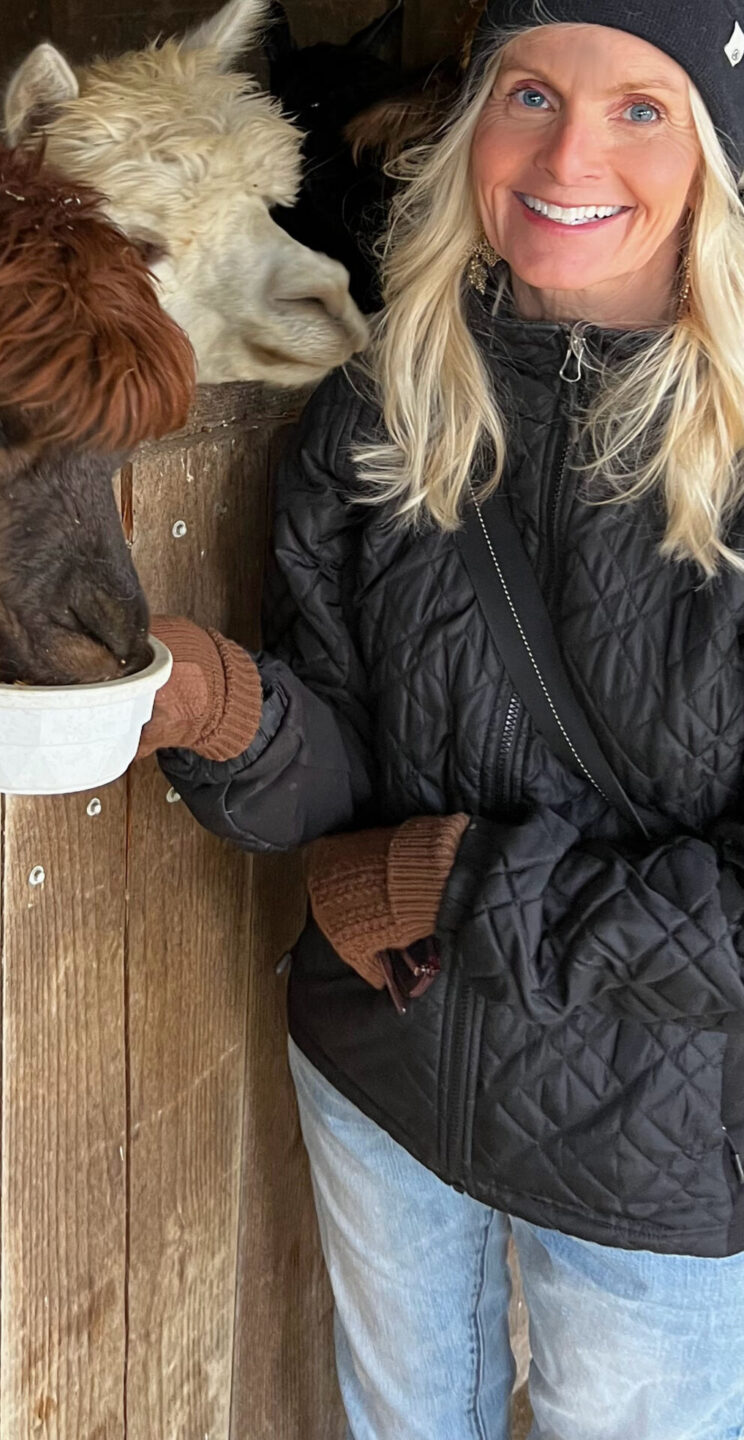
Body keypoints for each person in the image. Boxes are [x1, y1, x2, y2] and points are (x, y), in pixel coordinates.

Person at [140, 3, 744, 1436]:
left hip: (653, 1152)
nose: (569, 151)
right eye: (530, 93)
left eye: (642, 108)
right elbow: (341, 763)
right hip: (387, 1075)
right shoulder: (376, 407)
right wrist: (218, 711)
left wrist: (447, 889)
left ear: (719, 152)